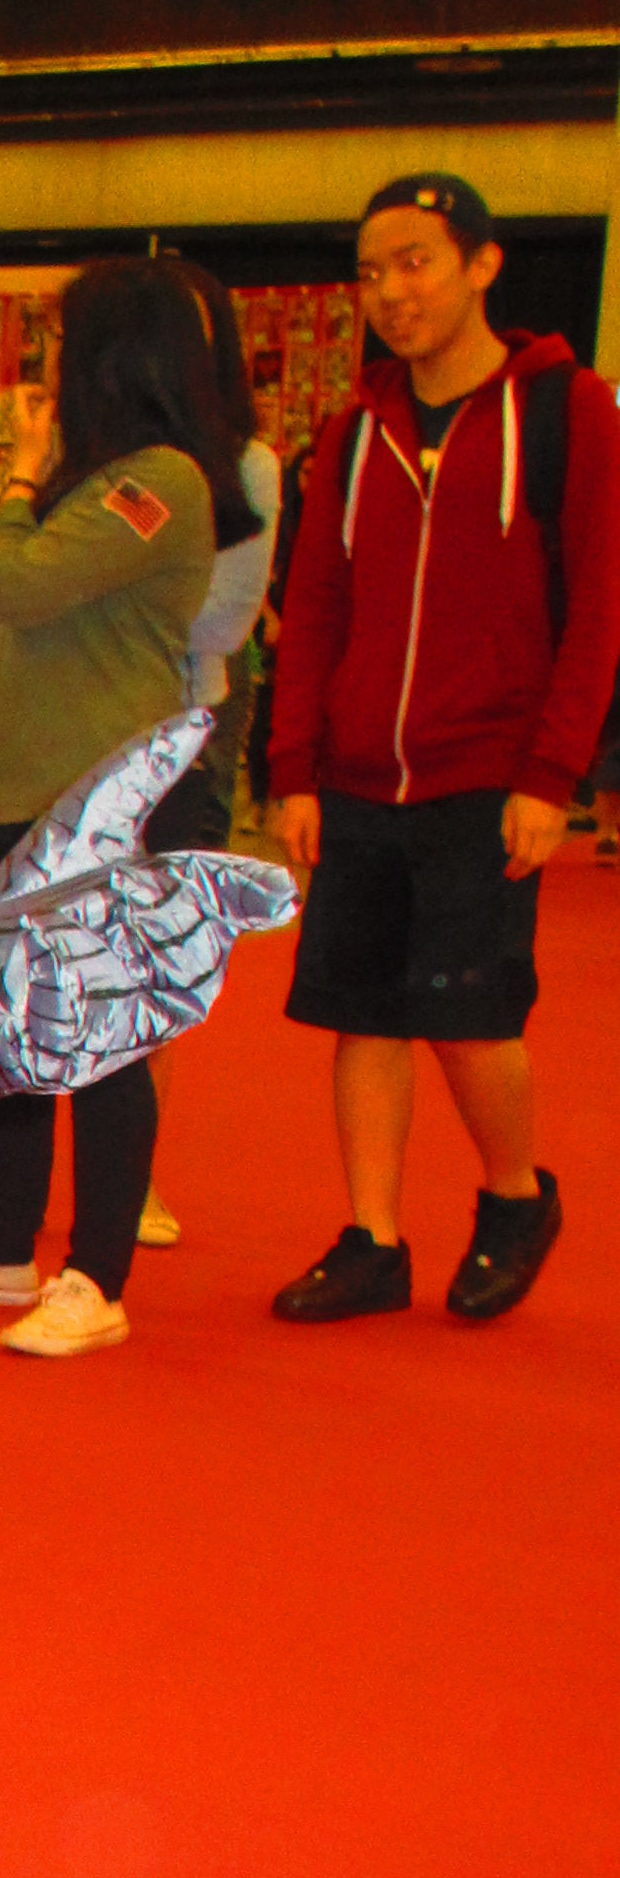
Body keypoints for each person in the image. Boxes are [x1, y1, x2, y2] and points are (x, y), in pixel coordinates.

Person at [0, 253, 262, 1358]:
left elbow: (15, 583)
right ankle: (4, 1245)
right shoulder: (93, 483)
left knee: (99, 1037)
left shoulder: (161, 481)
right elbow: (24, 598)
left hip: (106, 798)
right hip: (25, 788)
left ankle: (97, 1273)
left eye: (58, 341)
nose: (44, 363)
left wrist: (10, 486)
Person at [266, 172, 618, 1324]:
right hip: (360, 775)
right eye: (371, 271)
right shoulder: (352, 431)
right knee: (361, 1010)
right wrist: (293, 768)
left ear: (482, 264)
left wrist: (552, 774)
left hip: (489, 772)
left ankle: (515, 1196)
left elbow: (600, 605)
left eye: (415, 261)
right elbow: (316, 606)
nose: (391, 292)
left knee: (471, 1018)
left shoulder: (568, 409)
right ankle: (372, 1237)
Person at [133, 258, 280, 1250]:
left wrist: (103, 607)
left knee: (147, 967)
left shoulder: (246, 465)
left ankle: (127, 1178)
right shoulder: (93, 454)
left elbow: (225, 621)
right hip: (68, 734)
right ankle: (14, 1200)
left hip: (179, 733)